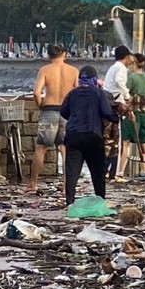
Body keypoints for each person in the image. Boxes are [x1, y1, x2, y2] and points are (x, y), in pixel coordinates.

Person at [58, 65, 114, 205]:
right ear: (94, 80)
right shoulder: (99, 93)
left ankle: (70, 202)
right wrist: (117, 118)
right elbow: (107, 112)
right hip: (93, 136)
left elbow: (63, 112)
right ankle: (100, 200)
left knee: (72, 171)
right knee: (97, 171)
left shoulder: (72, 93)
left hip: (73, 136)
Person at [31, 43, 78, 191]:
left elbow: (36, 93)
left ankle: (33, 183)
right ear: (64, 54)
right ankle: (66, 185)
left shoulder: (44, 70)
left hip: (49, 110)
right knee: (65, 149)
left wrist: (40, 105)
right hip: (67, 112)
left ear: (48, 55)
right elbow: (77, 92)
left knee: (41, 148)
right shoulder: (73, 71)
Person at [122, 52, 145, 178]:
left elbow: (126, 94)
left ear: (135, 64)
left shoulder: (132, 78)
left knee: (125, 142)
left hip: (133, 114)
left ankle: (120, 171)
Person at [102, 45, 131, 179]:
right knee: (116, 141)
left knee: (107, 139)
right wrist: (127, 94)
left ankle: (106, 169)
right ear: (126, 57)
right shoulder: (121, 68)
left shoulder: (113, 67)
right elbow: (119, 82)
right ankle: (113, 171)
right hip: (115, 105)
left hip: (107, 105)